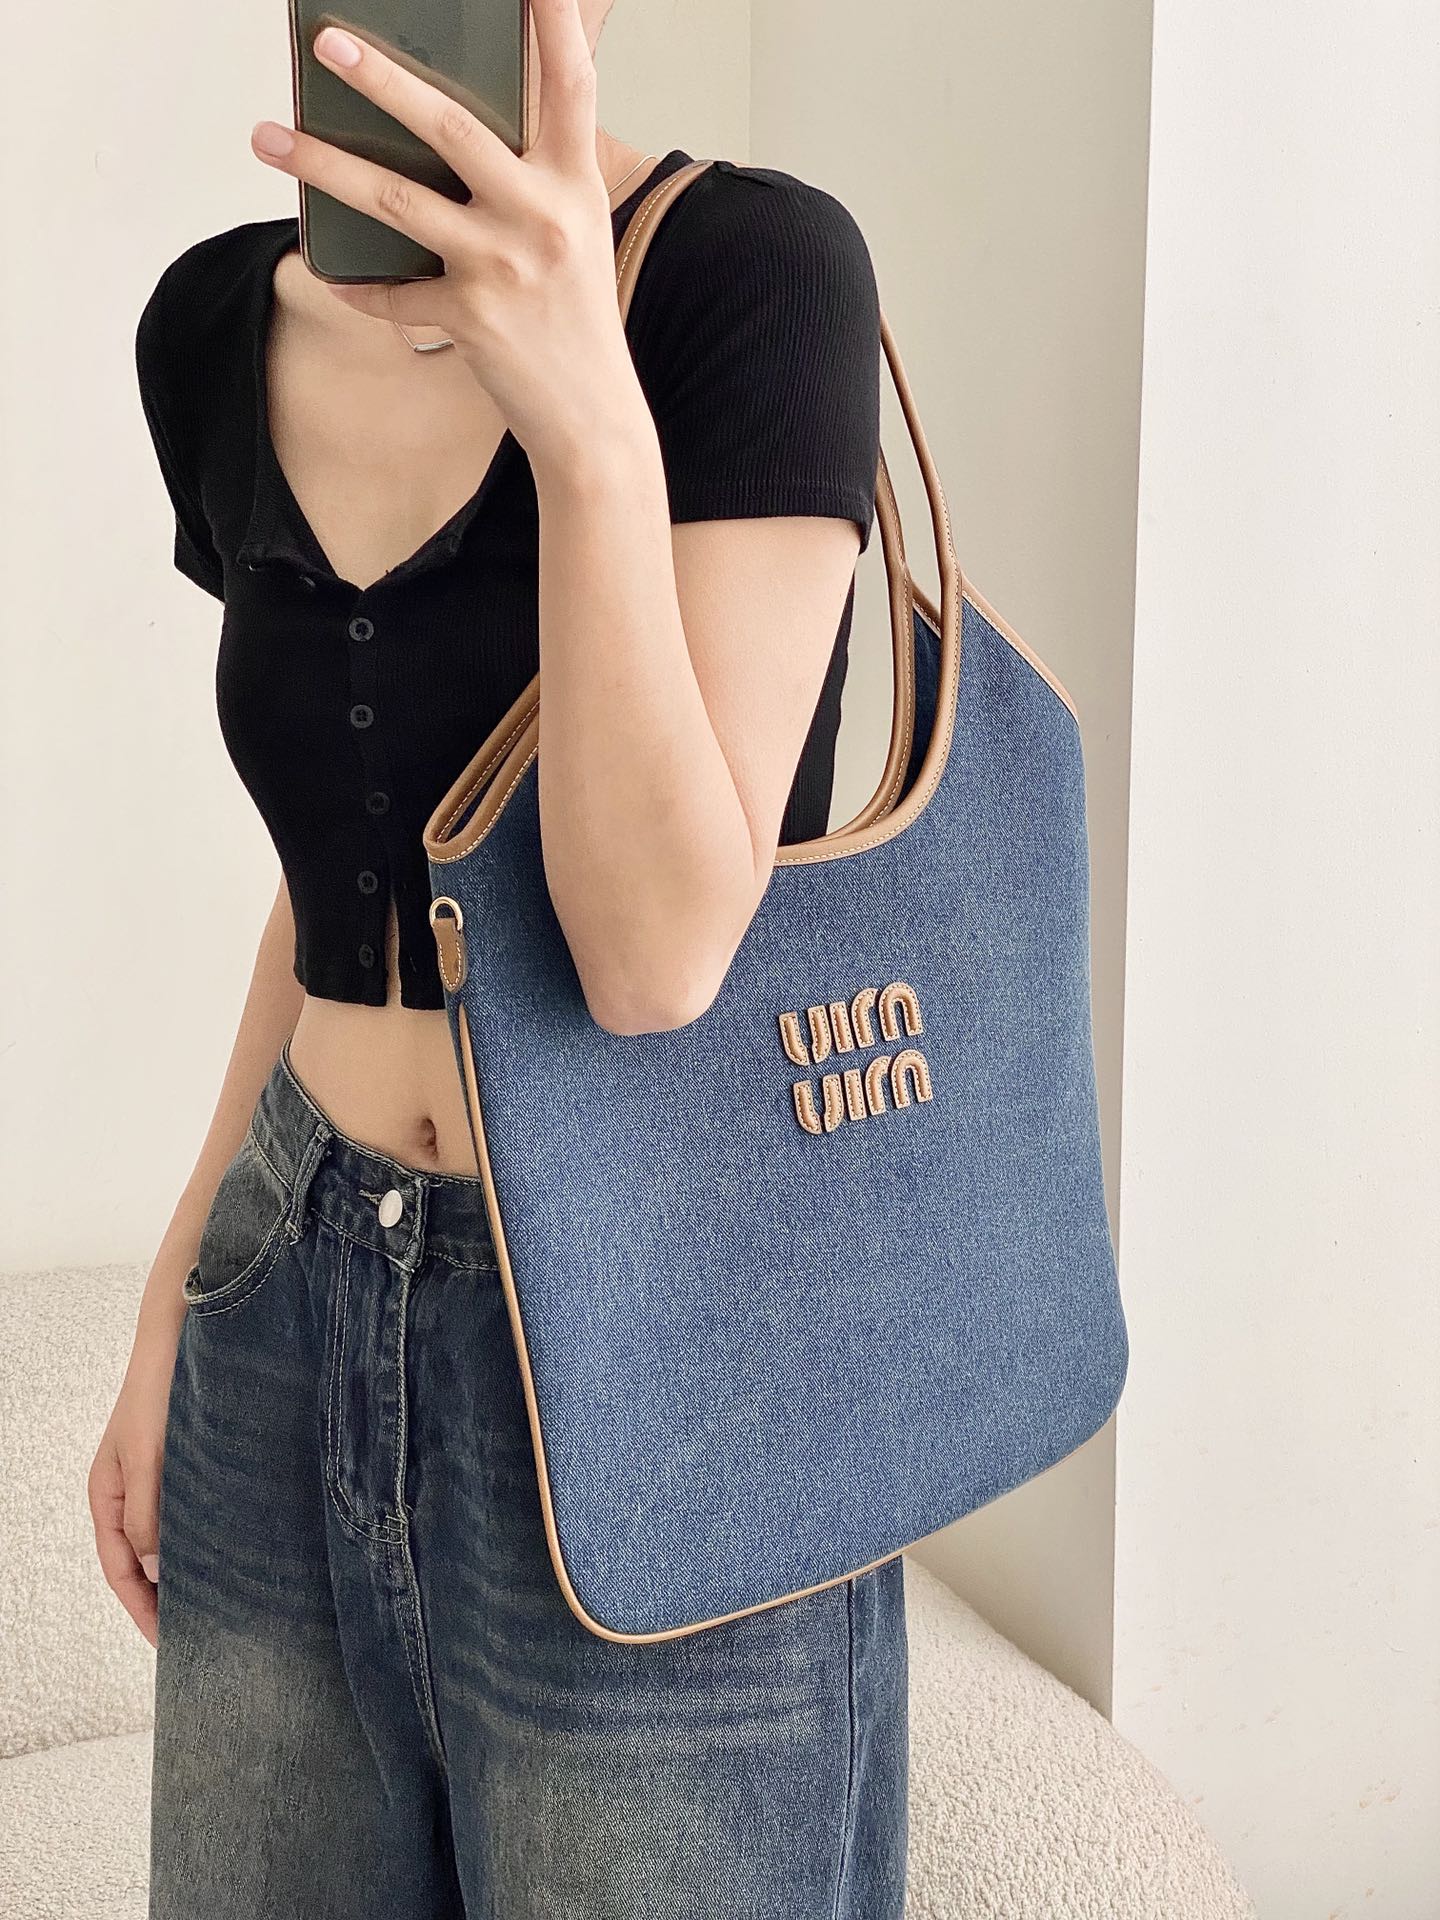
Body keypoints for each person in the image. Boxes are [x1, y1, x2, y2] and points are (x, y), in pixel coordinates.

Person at [91, 0, 909, 1912]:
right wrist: (181, 1295)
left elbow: (654, 960)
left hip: (665, 1349)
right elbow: (337, 891)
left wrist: (587, 421)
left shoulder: (755, 276)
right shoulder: (209, 328)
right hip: (290, 1295)